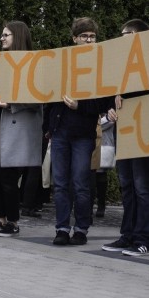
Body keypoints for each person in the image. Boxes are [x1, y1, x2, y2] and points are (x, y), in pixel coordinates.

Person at [44, 18, 115, 246]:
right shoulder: (62, 64)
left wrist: (79, 106)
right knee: (61, 183)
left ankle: (82, 228)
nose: (88, 40)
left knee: (81, 183)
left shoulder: (100, 67)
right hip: (60, 132)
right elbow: (48, 96)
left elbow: (104, 103)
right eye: (84, 36)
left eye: (92, 36)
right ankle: (62, 228)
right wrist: (48, 128)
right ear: (74, 39)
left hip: (83, 133)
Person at [0, 21, 43, 237]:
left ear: (18, 37)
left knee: (8, 179)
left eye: (6, 35)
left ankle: (12, 221)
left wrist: (12, 104)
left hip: (15, 130)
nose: (2, 38)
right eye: (2, 34)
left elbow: (39, 99)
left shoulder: (33, 64)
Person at [103, 19, 149, 257]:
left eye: (125, 33)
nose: (121, 36)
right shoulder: (119, 65)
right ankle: (127, 235)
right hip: (123, 131)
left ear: (138, 37)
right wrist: (110, 109)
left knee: (143, 187)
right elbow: (110, 95)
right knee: (127, 185)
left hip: (143, 131)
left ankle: (144, 238)